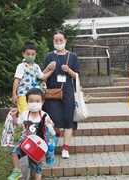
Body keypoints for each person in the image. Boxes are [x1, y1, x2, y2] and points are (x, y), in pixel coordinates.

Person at [42, 30, 80, 159]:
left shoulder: (73, 56)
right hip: (52, 93)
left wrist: (68, 70)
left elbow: (76, 76)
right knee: (53, 120)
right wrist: (49, 68)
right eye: (56, 41)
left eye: (60, 40)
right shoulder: (49, 56)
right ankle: (55, 138)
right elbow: (42, 75)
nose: (58, 43)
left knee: (68, 120)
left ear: (65, 40)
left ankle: (65, 148)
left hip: (68, 92)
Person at [8, 88, 54, 180]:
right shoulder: (25, 114)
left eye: (37, 101)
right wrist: (13, 116)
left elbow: (52, 125)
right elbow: (16, 123)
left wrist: (49, 123)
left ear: (42, 102)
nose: (34, 103)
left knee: (36, 166)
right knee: (14, 152)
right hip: (25, 141)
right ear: (27, 102)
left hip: (37, 144)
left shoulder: (44, 115)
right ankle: (17, 171)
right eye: (31, 101)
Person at [12, 42, 55, 116]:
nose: (30, 56)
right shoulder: (21, 66)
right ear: (23, 54)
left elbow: (43, 77)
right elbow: (16, 80)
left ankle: (33, 127)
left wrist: (51, 70)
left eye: (32, 54)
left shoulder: (36, 66)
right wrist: (14, 94)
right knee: (24, 114)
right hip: (23, 94)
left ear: (35, 54)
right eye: (28, 54)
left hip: (34, 95)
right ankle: (24, 127)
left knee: (34, 114)